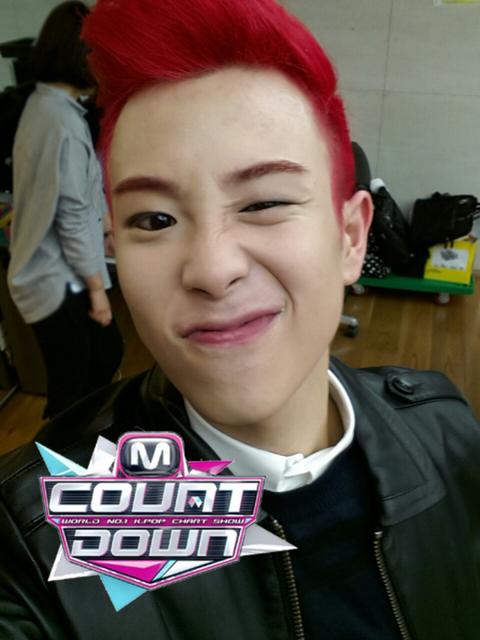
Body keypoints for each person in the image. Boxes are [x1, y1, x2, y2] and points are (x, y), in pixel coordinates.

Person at [0, 0, 479, 638]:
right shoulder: (39, 529)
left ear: (350, 238)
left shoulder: (449, 434)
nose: (211, 267)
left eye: (263, 203)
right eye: (155, 220)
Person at [7, 1, 124, 419]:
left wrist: (107, 226)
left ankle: (81, 437)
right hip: (57, 277)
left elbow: (81, 189)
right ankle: (61, 451)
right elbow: (70, 217)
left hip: (59, 271)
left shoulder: (47, 108)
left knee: (100, 359)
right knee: (76, 382)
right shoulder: (62, 125)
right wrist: (97, 292)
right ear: (81, 56)